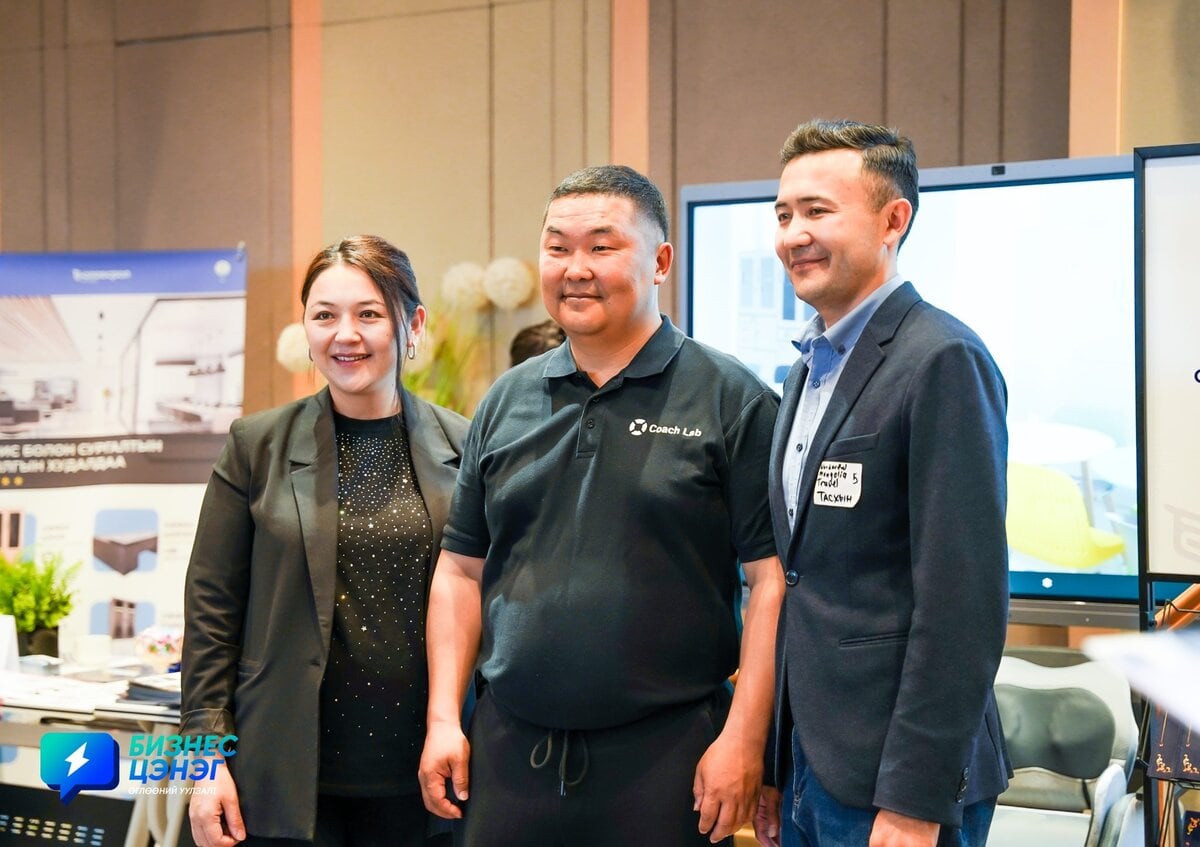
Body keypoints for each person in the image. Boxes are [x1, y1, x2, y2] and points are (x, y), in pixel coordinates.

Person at [418, 165, 784, 846]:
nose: (576, 268)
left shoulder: (730, 397)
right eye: (557, 248)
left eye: (602, 246)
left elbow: (771, 582)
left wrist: (745, 736)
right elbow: (461, 570)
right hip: (508, 753)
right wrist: (444, 717)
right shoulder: (506, 399)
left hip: (669, 758)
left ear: (660, 262)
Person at [756, 119, 1011, 847]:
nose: (794, 235)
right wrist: (777, 763)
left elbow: (963, 602)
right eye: (783, 214)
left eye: (817, 211)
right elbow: (805, 584)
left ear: (893, 220)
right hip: (813, 764)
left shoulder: (942, 358)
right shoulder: (807, 369)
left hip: (896, 785)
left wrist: (914, 799)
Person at [182, 235, 469, 847]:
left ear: (412, 325)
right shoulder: (255, 446)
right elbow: (211, 615)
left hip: (426, 773)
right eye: (324, 315)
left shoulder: (466, 447)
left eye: (368, 314)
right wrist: (203, 761)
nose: (346, 335)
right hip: (282, 771)